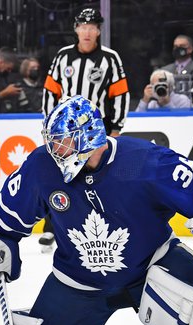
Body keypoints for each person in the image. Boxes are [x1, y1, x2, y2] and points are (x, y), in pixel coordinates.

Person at [0, 95, 193, 325]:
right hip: (79, 282)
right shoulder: (42, 168)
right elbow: (6, 218)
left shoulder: (141, 160)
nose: (56, 149)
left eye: (63, 141)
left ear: (89, 136)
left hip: (154, 264)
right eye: (53, 141)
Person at [41, 8, 130, 252]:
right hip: (66, 133)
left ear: (99, 30)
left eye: (93, 27)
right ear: (76, 29)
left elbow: (120, 94)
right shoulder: (63, 57)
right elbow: (51, 91)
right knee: (61, 176)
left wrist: (116, 129)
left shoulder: (110, 58)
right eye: (84, 26)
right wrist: (50, 127)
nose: (88, 31)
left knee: (98, 179)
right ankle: (51, 228)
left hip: (95, 133)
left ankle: (99, 227)